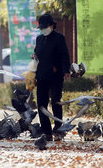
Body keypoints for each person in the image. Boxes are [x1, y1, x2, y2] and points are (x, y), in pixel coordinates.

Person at [32, 13, 70, 141]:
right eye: (41, 27)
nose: (43, 30)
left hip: (55, 75)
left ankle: (58, 129)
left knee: (55, 101)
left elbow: (64, 55)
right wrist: (34, 56)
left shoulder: (59, 38)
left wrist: (66, 71)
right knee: (41, 104)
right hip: (42, 75)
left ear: (51, 25)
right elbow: (37, 53)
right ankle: (46, 131)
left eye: (45, 27)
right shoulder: (39, 39)